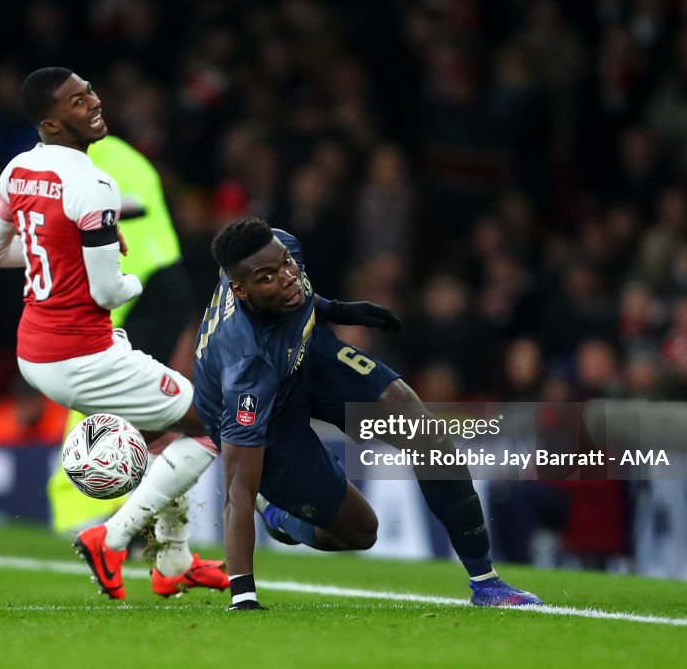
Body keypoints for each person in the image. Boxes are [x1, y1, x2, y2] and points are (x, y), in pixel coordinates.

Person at [193, 217, 543, 610]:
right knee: (360, 531)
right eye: (269, 277)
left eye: (287, 265)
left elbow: (298, 291)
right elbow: (238, 492)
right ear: (240, 290)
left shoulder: (280, 251)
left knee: (428, 435)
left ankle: (486, 581)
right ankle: (280, 516)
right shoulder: (246, 369)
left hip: (309, 356)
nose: (288, 276)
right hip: (268, 411)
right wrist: (244, 596)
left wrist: (341, 311)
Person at [0, 67, 223, 600]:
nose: (92, 101)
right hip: (81, 351)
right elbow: (111, 293)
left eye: (89, 90)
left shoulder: (17, 169)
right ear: (52, 121)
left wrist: (61, 257)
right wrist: (123, 268)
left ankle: (173, 562)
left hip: (37, 347)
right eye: (75, 100)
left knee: (165, 435)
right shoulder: (95, 184)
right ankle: (110, 538)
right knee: (211, 425)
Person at [45, 132, 196, 536]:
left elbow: (128, 207)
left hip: (145, 287)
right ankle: (118, 511)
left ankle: (107, 511)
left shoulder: (109, 158)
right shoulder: (85, 159)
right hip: (132, 291)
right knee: (128, 402)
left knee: (121, 399)